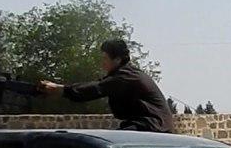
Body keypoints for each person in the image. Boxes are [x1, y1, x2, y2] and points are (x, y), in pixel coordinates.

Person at [40, 39, 175, 133]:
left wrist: (60, 89)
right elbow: (98, 84)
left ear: (117, 59)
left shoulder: (126, 77)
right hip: (149, 125)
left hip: (152, 126)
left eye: (105, 58)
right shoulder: (124, 74)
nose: (102, 63)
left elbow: (96, 88)